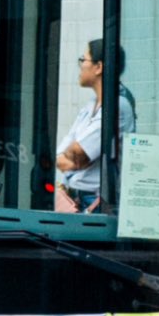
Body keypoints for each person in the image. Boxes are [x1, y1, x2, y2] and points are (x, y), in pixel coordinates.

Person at [54, 40, 135, 213]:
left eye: (83, 60)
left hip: (97, 202)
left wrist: (76, 156)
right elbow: (62, 153)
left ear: (99, 67)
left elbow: (79, 153)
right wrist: (73, 157)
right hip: (75, 198)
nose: (81, 66)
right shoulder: (90, 105)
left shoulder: (117, 105)